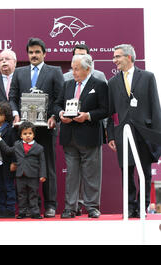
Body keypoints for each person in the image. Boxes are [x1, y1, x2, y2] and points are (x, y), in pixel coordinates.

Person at [8, 37, 64, 217]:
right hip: (24, 129)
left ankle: (50, 205)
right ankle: (29, 207)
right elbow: (12, 97)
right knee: (25, 168)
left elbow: (59, 98)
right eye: (31, 52)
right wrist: (15, 113)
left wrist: (55, 116)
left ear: (44, 53)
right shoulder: (19, 72)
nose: (34, 55)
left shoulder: (55, 71)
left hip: (46, 128)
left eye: (37, 52)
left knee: (48, 166)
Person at [107, 44, 161, 218]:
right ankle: (129, 206)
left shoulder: (147, 77)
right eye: (114, 57)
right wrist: (110, 135)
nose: (114, 60)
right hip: (123, 134)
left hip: (144, 135)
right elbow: (110, 112)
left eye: (117, 57)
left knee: (144, 173)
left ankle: (142, 207)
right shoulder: (113, 82)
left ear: (129, 57)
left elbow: (155, 108)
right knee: (127, 172)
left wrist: (157, 137)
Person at [54, 54, 109, 219]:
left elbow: (105, 110)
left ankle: (92, 207)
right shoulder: (67, 84)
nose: (74, 72)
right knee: (72, 173)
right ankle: (71, 207)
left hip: (90, 135)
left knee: (92, 173)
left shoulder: (99, 85)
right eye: (72, 68)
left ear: (88, 68)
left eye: (77, 68)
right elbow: (56, 104)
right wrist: (60, 113)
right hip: (69, 136)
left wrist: (88, 115)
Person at [0, 121, 46, 219]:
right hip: (20, 175)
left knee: (34, 194)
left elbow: (42, 162)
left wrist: (43, 175)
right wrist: (0, 140)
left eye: (30, 133)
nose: (27, 136)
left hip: (33, 175)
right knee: (21, 195)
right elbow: (7, 150)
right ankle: (22, 212)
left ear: (34, 135)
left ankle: (35, 212)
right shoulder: (17, 145)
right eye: (25, 134)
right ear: (20, 136)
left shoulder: (39, 148)